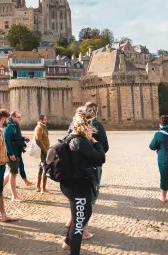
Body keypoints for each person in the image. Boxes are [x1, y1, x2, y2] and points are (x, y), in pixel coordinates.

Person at [61, 107, 106, 254]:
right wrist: (94, 141)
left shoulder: (69, 137)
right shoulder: (81, 141)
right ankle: (73, 250)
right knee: (79, 222)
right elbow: (101, 158)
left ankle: (68, 242)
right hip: (77, 185)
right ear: (86, 124)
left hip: (71, 183)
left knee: (86, 212)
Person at [3, 111, 32, 201]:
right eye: (18, 117)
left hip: (16, 152)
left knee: (10, 172)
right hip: (13, 154)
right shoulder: (9, 126)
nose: (20, 118)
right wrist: (11, 154)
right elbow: (6, 140)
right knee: (13, 174)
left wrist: (23, 138)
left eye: (20, 117)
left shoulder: (15, 126)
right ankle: (14, 195)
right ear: (12, 117)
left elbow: (15, 137)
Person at [34, 114, 50, 193]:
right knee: (45, 169)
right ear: (40, 120)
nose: (46, 121)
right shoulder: (39, 128)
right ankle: (42, 188)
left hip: (45, 150)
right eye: (45, 119)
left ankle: (38, 187)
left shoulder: (43, 127)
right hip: (42, 151)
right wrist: (45, 150)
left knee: (41, 168)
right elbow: (38, 140)